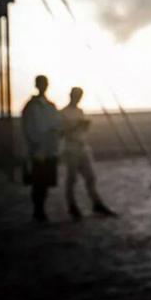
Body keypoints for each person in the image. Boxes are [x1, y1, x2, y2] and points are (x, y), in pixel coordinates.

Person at [61, 87, 117, 220]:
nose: (77, 98)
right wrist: (76, 126)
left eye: (79, 96)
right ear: (70, 96)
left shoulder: (80, 111)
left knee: (91, 177)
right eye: (76, 95)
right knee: (72, 179)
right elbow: (63, 132)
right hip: (70, 148)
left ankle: (96, 203)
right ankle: (72, 206)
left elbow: (82, 130)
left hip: (82, 147)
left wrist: (84, 126)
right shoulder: (63, 112)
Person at [21, 75, 62, 222]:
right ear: (37, 85)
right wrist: (34, 145)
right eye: (41, 83)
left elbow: (58, 124)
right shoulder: (31, 106)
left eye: (45, 83)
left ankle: (41, 208)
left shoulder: (51, 106)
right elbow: (27, 128)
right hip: (38, 150)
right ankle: (38, 210)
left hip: (50, 149)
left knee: (45, 182)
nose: (43, 86)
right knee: (38, 182)